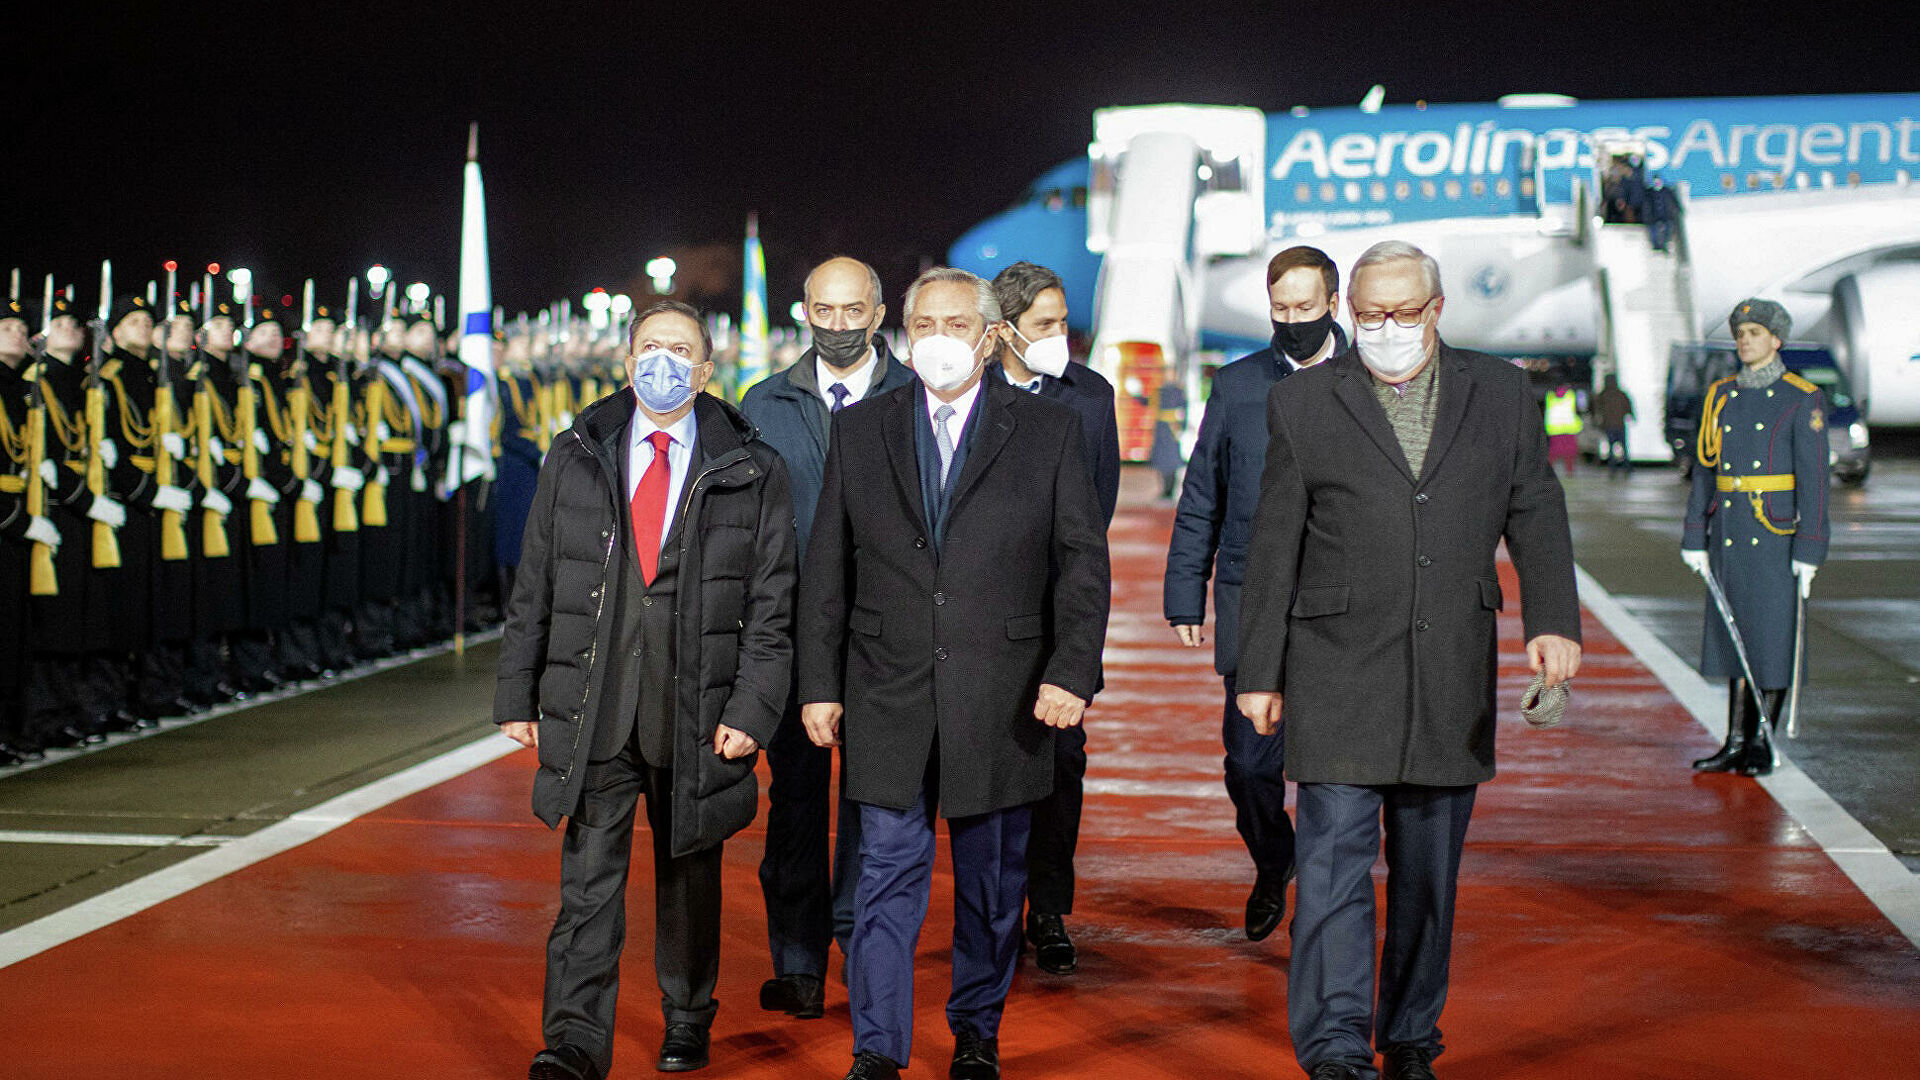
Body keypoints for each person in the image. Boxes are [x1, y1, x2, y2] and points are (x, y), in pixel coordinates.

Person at [1235, 240, 1582, 1080]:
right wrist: (1258, 670)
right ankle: (1333, 1045)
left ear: (1436, 310)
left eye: (1402, 312)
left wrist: (1553, 618)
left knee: (1429, 881)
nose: (1385, 328)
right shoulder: (1306, 402)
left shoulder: (1500, 391)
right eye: (1369, 314)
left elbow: (1533, 506)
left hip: (1449, 671)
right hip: (1335, 666)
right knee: (1332, 874)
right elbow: (1273, 540)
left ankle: (1412, 1037)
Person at [798, 267, 1109, 1080]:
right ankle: (878, 1049)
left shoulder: (1046, 431)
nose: (938, 338)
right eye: (922, 323)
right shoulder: (862, 429)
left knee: (991, 889)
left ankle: (976, 1029)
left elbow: (1082, 562)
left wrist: (1071, 670)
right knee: (884, 880)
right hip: (884, 691)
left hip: (1005, 698)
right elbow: (828, 564)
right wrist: (819, 684)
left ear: (990, 335)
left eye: (954, 324)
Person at [497, 300, 795, 1080]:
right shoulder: (577, 453)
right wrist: (515, 692)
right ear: (628, 361)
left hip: (699, 707)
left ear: (706, 370)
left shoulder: (752, 469)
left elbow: (772, 604)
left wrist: (754, 709)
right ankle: (573, 1042)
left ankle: (688, 1015)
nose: (663, 362)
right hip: (596, 701)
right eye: (649, 347)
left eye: (681, 350)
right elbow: (538, 579)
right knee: (587, 884)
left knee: (689, 878)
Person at [739, 256, 915, 1020]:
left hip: (888, 634)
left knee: (875, 801)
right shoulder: (764, 403)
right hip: (788, 633)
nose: (838, 327)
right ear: (802, 312)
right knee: (798, 799)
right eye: (824, 311)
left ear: (878, 315)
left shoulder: (916, 395)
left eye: (853, 312)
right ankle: (800, 959)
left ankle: (857, 939)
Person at [1163, 245, 1345, 943]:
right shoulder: (1238, 386)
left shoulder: (1366, 379)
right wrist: (1187, 590)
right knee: (1249, 764)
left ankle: (1329, 906)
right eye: (1281, 309)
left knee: (1336, 773)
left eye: (1305, 307)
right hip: (1252, 603)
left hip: (1343, 608)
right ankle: (1275, 857)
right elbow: (1203, 488)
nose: (1292, 320)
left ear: (1332, 303)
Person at [987, 259, 1120, 976]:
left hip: (1060, 615)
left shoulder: (1091, 398)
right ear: (1004, 329)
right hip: (979, 617)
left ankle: (1049, 907)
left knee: (1061, 765)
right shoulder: (968, 390)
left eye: (1063, 322)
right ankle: (992, 912)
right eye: (1044, 325)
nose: (1059, 336)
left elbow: (1094, 518)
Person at [1681, 298, 1829, 777]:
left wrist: (1810, 548)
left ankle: (1762, 742)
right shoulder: (1722, 395)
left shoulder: (1800, 397)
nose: (1745, 341)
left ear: (1776, 340)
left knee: (1771, 641)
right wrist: (1693, 536)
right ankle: (1734, 740)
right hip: (1729, 531)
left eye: (1756, 333)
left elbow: (1815, 482)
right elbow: (1705, 472)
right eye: (1741, 333)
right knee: (1734, 641)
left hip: (1775, 534)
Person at [1592, 374, 1634, 472]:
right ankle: (1627, 466)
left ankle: (1612, 467)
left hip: (1609, 425)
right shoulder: (1621, 394)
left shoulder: (1603, 395)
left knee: (1611, 448)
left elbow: (1596, 408)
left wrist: (1597, 420)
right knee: (1624, 447)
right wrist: (1631, 415)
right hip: (1620, 424)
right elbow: (1628, 405)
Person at [1543, 381, 1582, 473]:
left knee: (1554, 452)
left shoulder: (1550, 397)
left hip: (1554, 430)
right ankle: (1570, 471)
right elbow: (1576, 411)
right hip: (1569, 429)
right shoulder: (1571, 396)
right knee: (1570, 452)